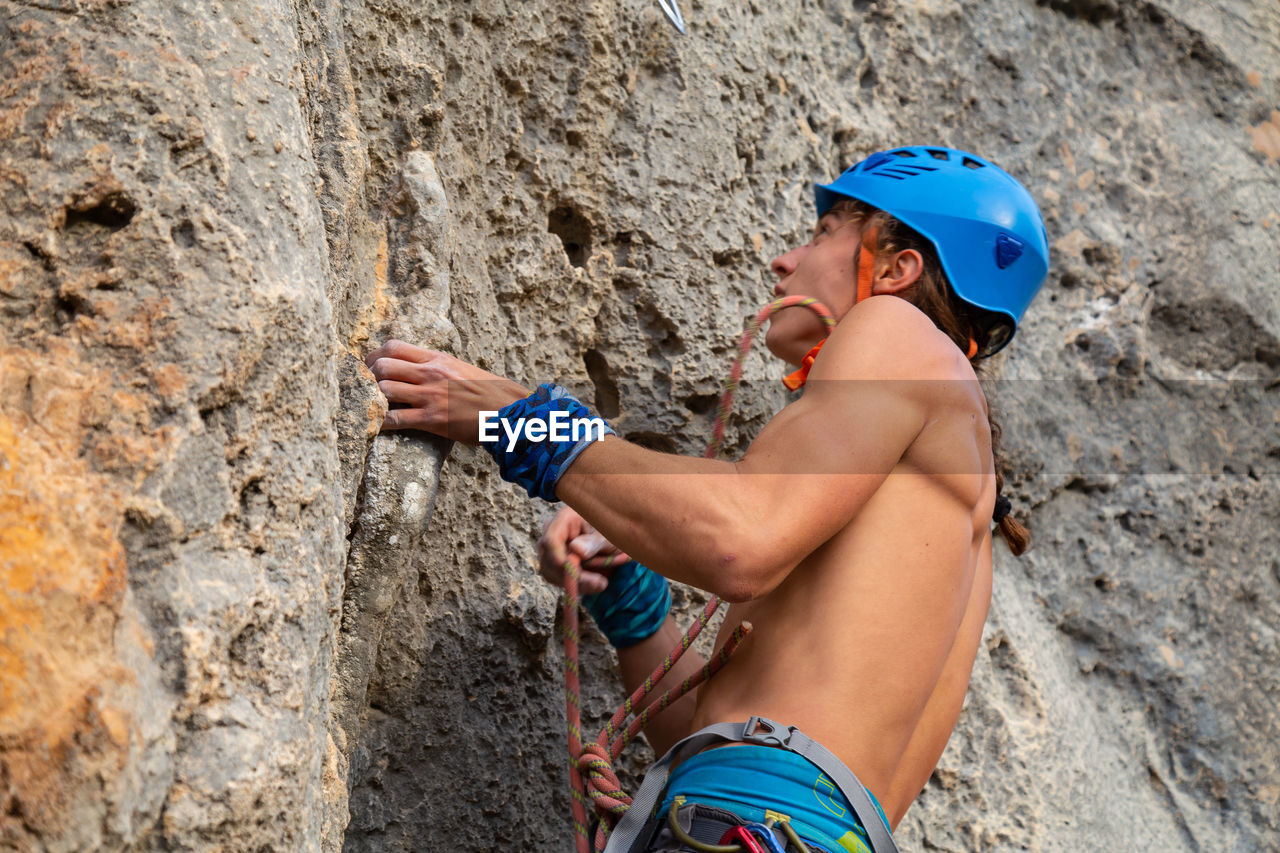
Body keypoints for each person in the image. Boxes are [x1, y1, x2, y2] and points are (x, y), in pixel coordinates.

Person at [366, 145, 1048, 853]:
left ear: (898, 266)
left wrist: (520, 418)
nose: (785, 261)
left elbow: (739, 540)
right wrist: (634, 608)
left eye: (823, 233)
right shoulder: (962, 507)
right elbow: (745, 754)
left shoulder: (896, 330)